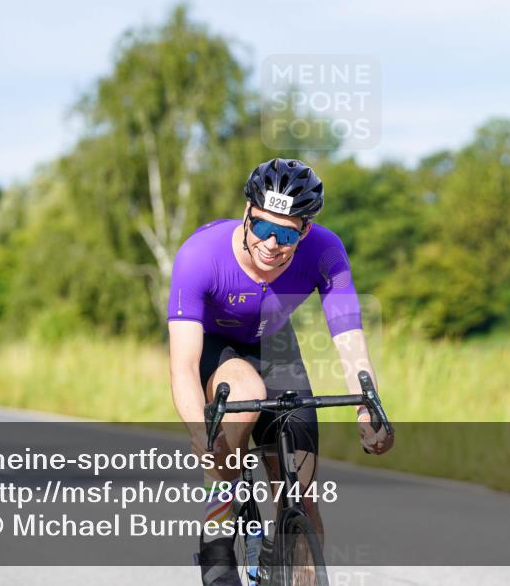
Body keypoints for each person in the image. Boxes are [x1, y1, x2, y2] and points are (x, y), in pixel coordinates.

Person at [168, 158, 394, 585]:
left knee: (302, 494)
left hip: (275, 343)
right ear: (247, 213)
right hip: (218, 347)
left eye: (287, 232)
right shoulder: (200, 256)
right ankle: (218, 524)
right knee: (244, 393)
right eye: (262, 227)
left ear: (305, 230)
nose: (271, 242)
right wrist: (202, 434)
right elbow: (181, 365)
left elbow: (350, 341)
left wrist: (369, 410)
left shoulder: (326, 251)